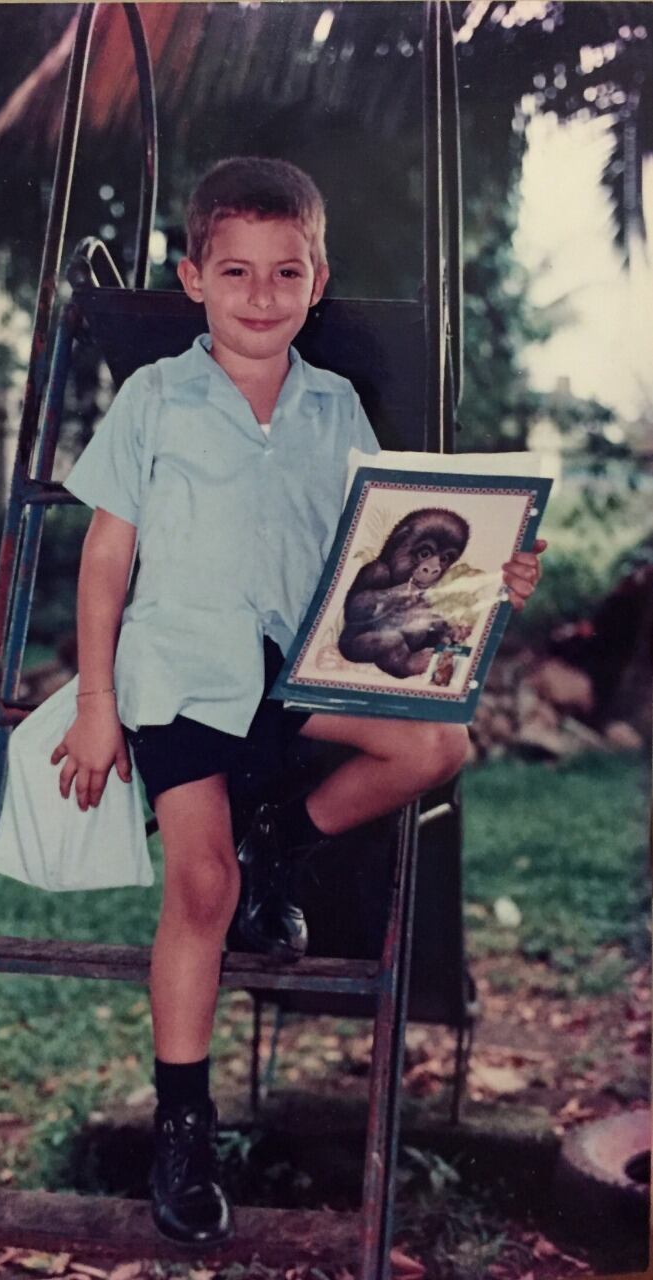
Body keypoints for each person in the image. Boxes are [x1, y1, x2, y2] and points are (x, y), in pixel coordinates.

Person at [52, 157, 544, 1246]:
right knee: (201, 885)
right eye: (235, 270)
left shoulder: (336, 409)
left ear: (317, 281)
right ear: (193, 278)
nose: (261, 294)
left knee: (434, 747)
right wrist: (95, 700)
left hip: (291, 672)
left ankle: (282, 838)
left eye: (286, 271)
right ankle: (184, 1128)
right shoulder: (154, 398)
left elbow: (386, 555)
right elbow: (104, 559)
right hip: (181, 677)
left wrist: (491, 578)